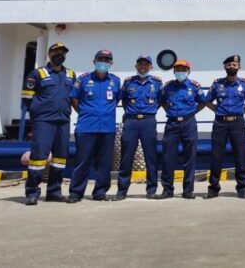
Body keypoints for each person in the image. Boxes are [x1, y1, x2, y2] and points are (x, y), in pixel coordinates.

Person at [21, 42, 76, 206]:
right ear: (48, 55)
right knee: (38, 158)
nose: (59, 55)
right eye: (56, 52)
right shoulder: (37, 74)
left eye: (62, 52)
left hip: (63, 121)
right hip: (44, 121)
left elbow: (74, 96)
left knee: (60, 158)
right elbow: (27, 99)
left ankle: (54, 191)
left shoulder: (71, 74)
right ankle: (32, 193)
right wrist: (38, 115)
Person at [68, 50, 122, 203]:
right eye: (101, 59)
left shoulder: (115, 81)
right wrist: (85, 112)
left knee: (104, 163)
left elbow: (116, 100)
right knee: (82, 161)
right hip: (86, 127)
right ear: (94, 61)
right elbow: (74, 98)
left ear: (111, 63)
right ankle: (76, 192)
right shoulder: (83, 80)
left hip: (107, 128)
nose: (103, 62)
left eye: (107, 59)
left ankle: (100, 191)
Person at [204, 55, 245, 199]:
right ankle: (213, 188)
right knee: (216, 156)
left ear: (239, 67)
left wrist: (240, 112)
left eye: (234, 64)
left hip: (237, 123)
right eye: (229, 65)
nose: (232, 67)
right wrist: (218, 111)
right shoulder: (217, 84)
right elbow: (207, 101)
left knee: (240, 156)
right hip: (220, 123)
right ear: (225, 67)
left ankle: (242, 188)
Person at [115, 54, 163, 200]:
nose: (143, 67)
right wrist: (132, 114)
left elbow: (160, 101)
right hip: (131, 122)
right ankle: (122, 191)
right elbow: (124, 101)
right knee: (126, 156)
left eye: (146, 64)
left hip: (148, 121)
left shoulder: (157, 83)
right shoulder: (128, 82)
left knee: (151, 157)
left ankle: (151, 189)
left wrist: (148, 113)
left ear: (151, 67)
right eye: (140, 64)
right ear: (136, 66)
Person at [159, 59, 206, 199]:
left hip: (188, 123)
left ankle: (188, 190)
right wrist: (172, 113)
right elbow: (162, 102)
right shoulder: (167, 87)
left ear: (188, 71)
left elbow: (202, 102)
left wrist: (190, 113)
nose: (180, 72)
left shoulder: (194, 86)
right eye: (178, 69)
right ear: (174, 71)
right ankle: (167, 189)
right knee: (168, 157)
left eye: (183, 70)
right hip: (172, 123)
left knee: (190, 157)